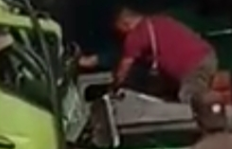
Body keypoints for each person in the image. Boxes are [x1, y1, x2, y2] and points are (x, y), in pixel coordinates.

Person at [79, 6, 217, 104]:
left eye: (119, 32)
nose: (120, 37)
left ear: (125, 23)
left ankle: (211, 126)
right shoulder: (159, 20)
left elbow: (124, 69)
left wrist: (113, 88)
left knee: (190, 101)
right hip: (206, 56)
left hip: (193, 65)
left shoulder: (136, 36)